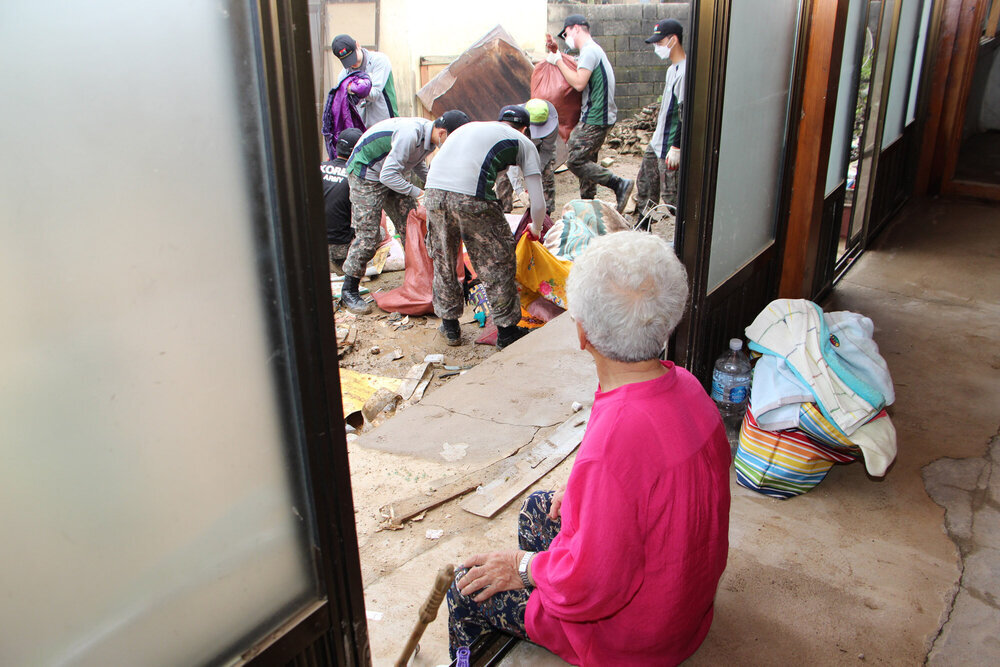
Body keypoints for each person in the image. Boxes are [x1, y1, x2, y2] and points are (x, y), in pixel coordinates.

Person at [446, 231, 731, 665]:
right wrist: (586, 496)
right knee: (539, 509)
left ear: (582, 333)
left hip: (631, 639)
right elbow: (648, 490)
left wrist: (523, 568)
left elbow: (591, 586)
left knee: (466, 586)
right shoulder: (688, 388)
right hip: (683, 611)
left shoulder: (614, 446)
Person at [424, 106, 547, 349]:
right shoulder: (524, 143)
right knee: (497, 260)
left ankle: (450, 327)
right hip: (471, 197)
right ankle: (507, 332)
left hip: (433, 193)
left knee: (444, 258)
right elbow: (539, 203)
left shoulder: (470, 128)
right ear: (525, 129)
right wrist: (536, 227)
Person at [339, 111, 470, 314]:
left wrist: (433, 185)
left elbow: (416, 164)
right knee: (369, 235)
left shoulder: (430, 139)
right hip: (366, 174)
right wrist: (418, 193)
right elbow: (387, 175)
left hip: (391, 173)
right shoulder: (410, 134)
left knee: (412, 225)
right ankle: (349, 289)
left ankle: (418, 284)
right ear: (443, 132)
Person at [545, 14, 634, 213]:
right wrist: (556, 52)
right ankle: (589, 204)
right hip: (599, 115)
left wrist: (558, 60)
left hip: (595, 116)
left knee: (575, 160)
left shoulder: (590, 51)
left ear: (576, 28)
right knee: (587, 159)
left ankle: (619, 184)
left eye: (566, 33)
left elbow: (578, 83)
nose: (566, 37)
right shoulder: (592, 51)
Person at [635, 18, 686, 230]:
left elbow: (684, 113)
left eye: (659, 42)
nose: (657, 47)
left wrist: (676, 146)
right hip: (657, 142)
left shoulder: (685, 72)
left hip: (669, 147)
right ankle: (641, 231)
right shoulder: (671, 70)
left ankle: (686, 239)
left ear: (673, 40)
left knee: (672, 197)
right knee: (645, 186)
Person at [495, 98, 558, 215]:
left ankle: (546, 213)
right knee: (503, 177)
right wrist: (519, 190)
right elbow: (509, 160)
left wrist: (536, 171)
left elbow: (547, 150)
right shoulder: (513, 122)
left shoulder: (553, 123)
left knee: (547, 173)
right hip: (516, 145)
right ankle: (505, 213)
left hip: (539, 149)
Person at [331, 34, 397, 127]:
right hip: (361, 127)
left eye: (353, 57)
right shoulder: (344, 75)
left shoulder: (379, 61)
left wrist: (353, 87)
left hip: (387, 123)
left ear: (357, 45)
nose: (352, 63)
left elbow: (374, 94)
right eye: (347, 61)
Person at [321, 127, 363, 273]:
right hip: (339, 247)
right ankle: (345, 266)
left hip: (311, 243)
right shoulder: (355, 176)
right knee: (379, 233)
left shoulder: (320, 167)